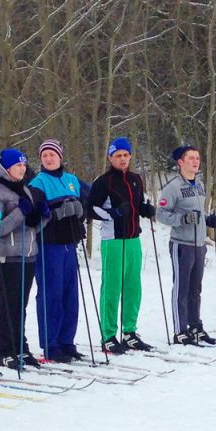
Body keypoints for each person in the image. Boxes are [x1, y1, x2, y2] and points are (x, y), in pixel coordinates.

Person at [86, 137, 156, 352]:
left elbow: (137, 204)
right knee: (112, 288)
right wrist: (112, 214)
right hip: (113, 240)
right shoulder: (104, 181)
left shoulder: (136, 179)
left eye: (126, 155)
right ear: (110, 157)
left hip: (134, 238)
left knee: (133, 287)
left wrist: (145, 209)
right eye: (118, 156)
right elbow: (90, 208)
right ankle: (108, 335)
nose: (123, 159)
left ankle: (129, 332)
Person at [29, 140, 88, 362]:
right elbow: (36, 215)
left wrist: (81, 211)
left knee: (70, 294)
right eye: (44, 155)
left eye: (52, 154)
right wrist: (56, 213)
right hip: (49, 244)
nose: (49, 158)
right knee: (51, 294)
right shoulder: (38, 183)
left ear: (60, 156)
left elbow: (88, 203)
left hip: (70, 243)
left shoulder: (72, 180)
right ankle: (51, 344)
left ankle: (67, 341)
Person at [0, 148, 46, 368]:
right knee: (9, 303)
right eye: (17, 165)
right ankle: (6, 350)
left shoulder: (25, 189)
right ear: (6, 168)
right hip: (9, 255)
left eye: (24, 165)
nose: (22, 169)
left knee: (20, 304)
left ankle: (21, 346)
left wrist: (42, 216)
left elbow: (31, 226)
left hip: (29, 253)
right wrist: (21, 212)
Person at [156, 144, 216, 345]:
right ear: (180, 162)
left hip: (199, 244)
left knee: (195, 288)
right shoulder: (172, 187)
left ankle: (195, 326)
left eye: (197, 158)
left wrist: (208, 220)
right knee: (181, 288)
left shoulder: (198, 185)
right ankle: (180, 329)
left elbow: (198, 213)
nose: (195, 161)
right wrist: (182, 219)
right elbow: (161, 214)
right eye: (191, 158)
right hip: (181, 244)